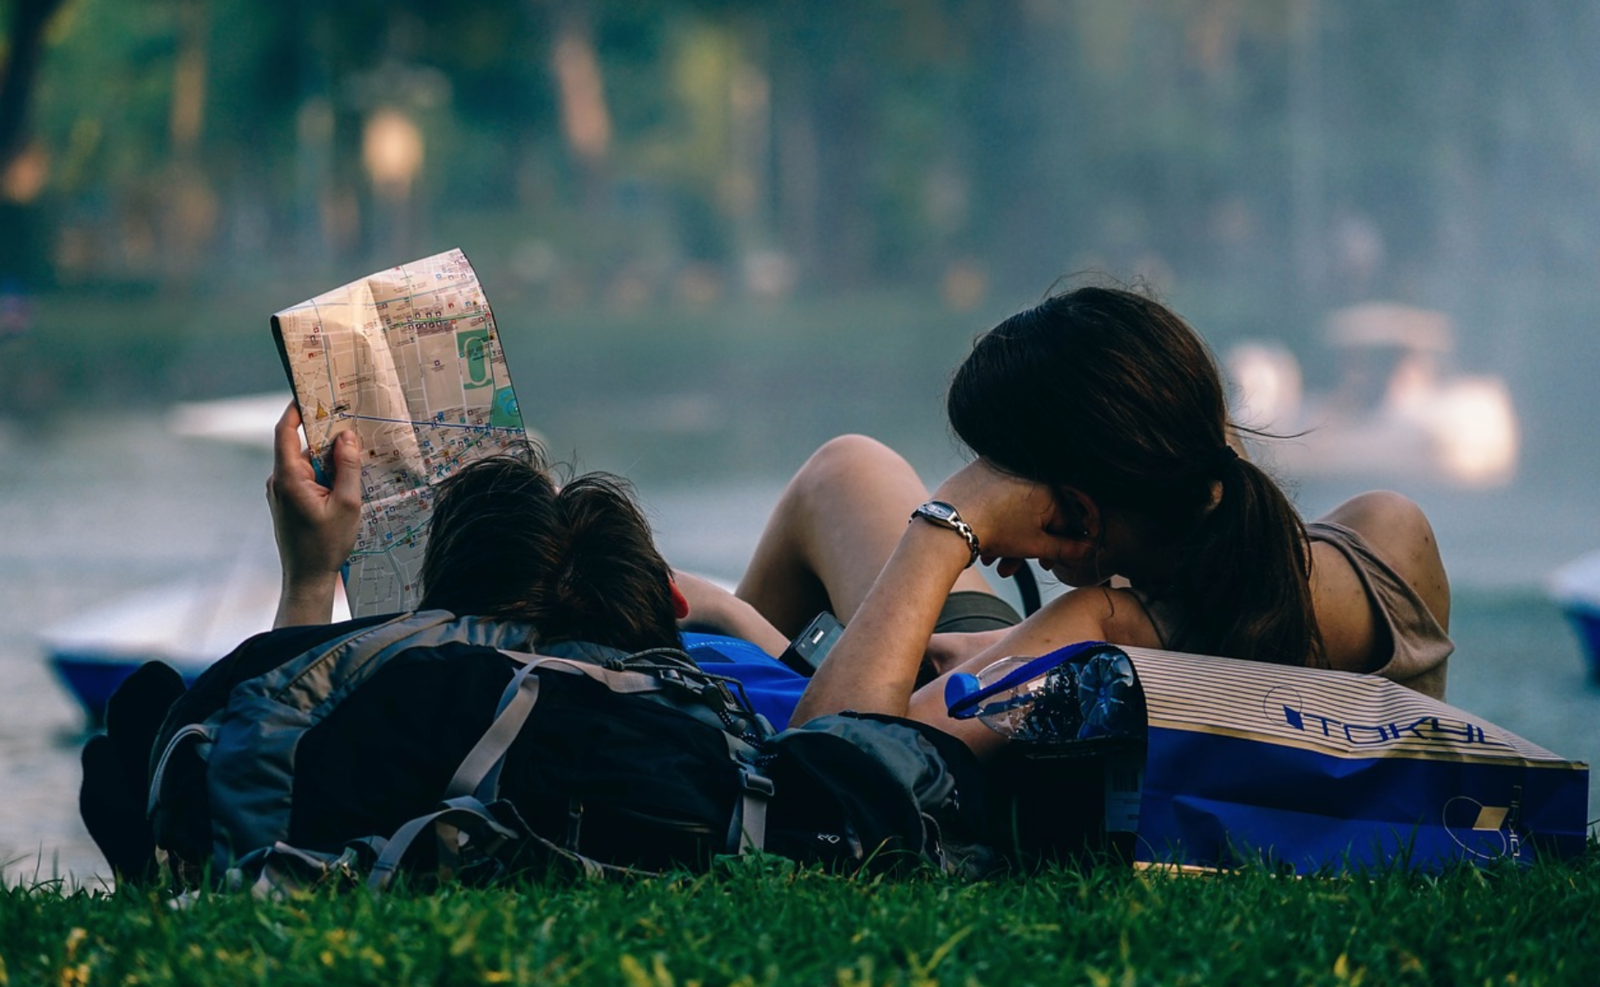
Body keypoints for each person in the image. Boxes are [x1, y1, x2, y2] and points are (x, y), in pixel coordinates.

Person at [720, 285, 1452, 759]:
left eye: (998, 478)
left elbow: (833, 769)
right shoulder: (1391, 538)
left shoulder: (1098, 629)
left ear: (1077, 511)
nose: (1003, 551)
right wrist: (1009, 642)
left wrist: (948, 523)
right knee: (849, 471)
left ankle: (707, 704)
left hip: (974, 715)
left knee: (844, 470)